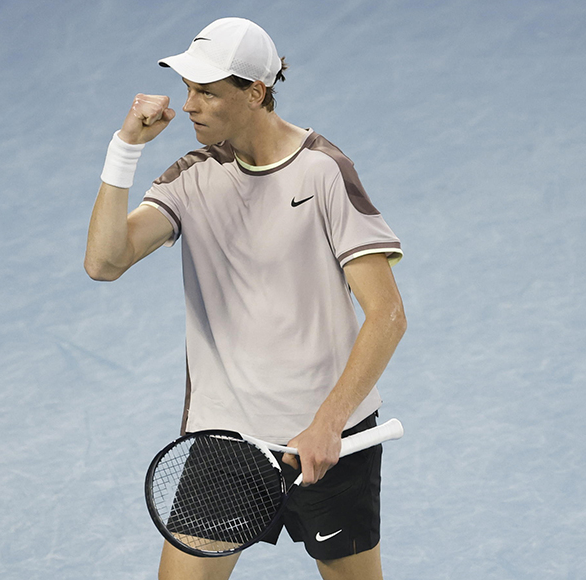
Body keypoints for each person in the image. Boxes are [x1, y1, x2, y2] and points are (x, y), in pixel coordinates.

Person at [84, 17, 406, 580]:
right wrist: (124, 149)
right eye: (188, 89)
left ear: (255, 92)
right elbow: (104, 262)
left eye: (206, 91)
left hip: (330, 442)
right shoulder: (190, 178)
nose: (189, 106)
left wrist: (328, 423)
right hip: (227, 440)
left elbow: (388, 316)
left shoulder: (325, 172)